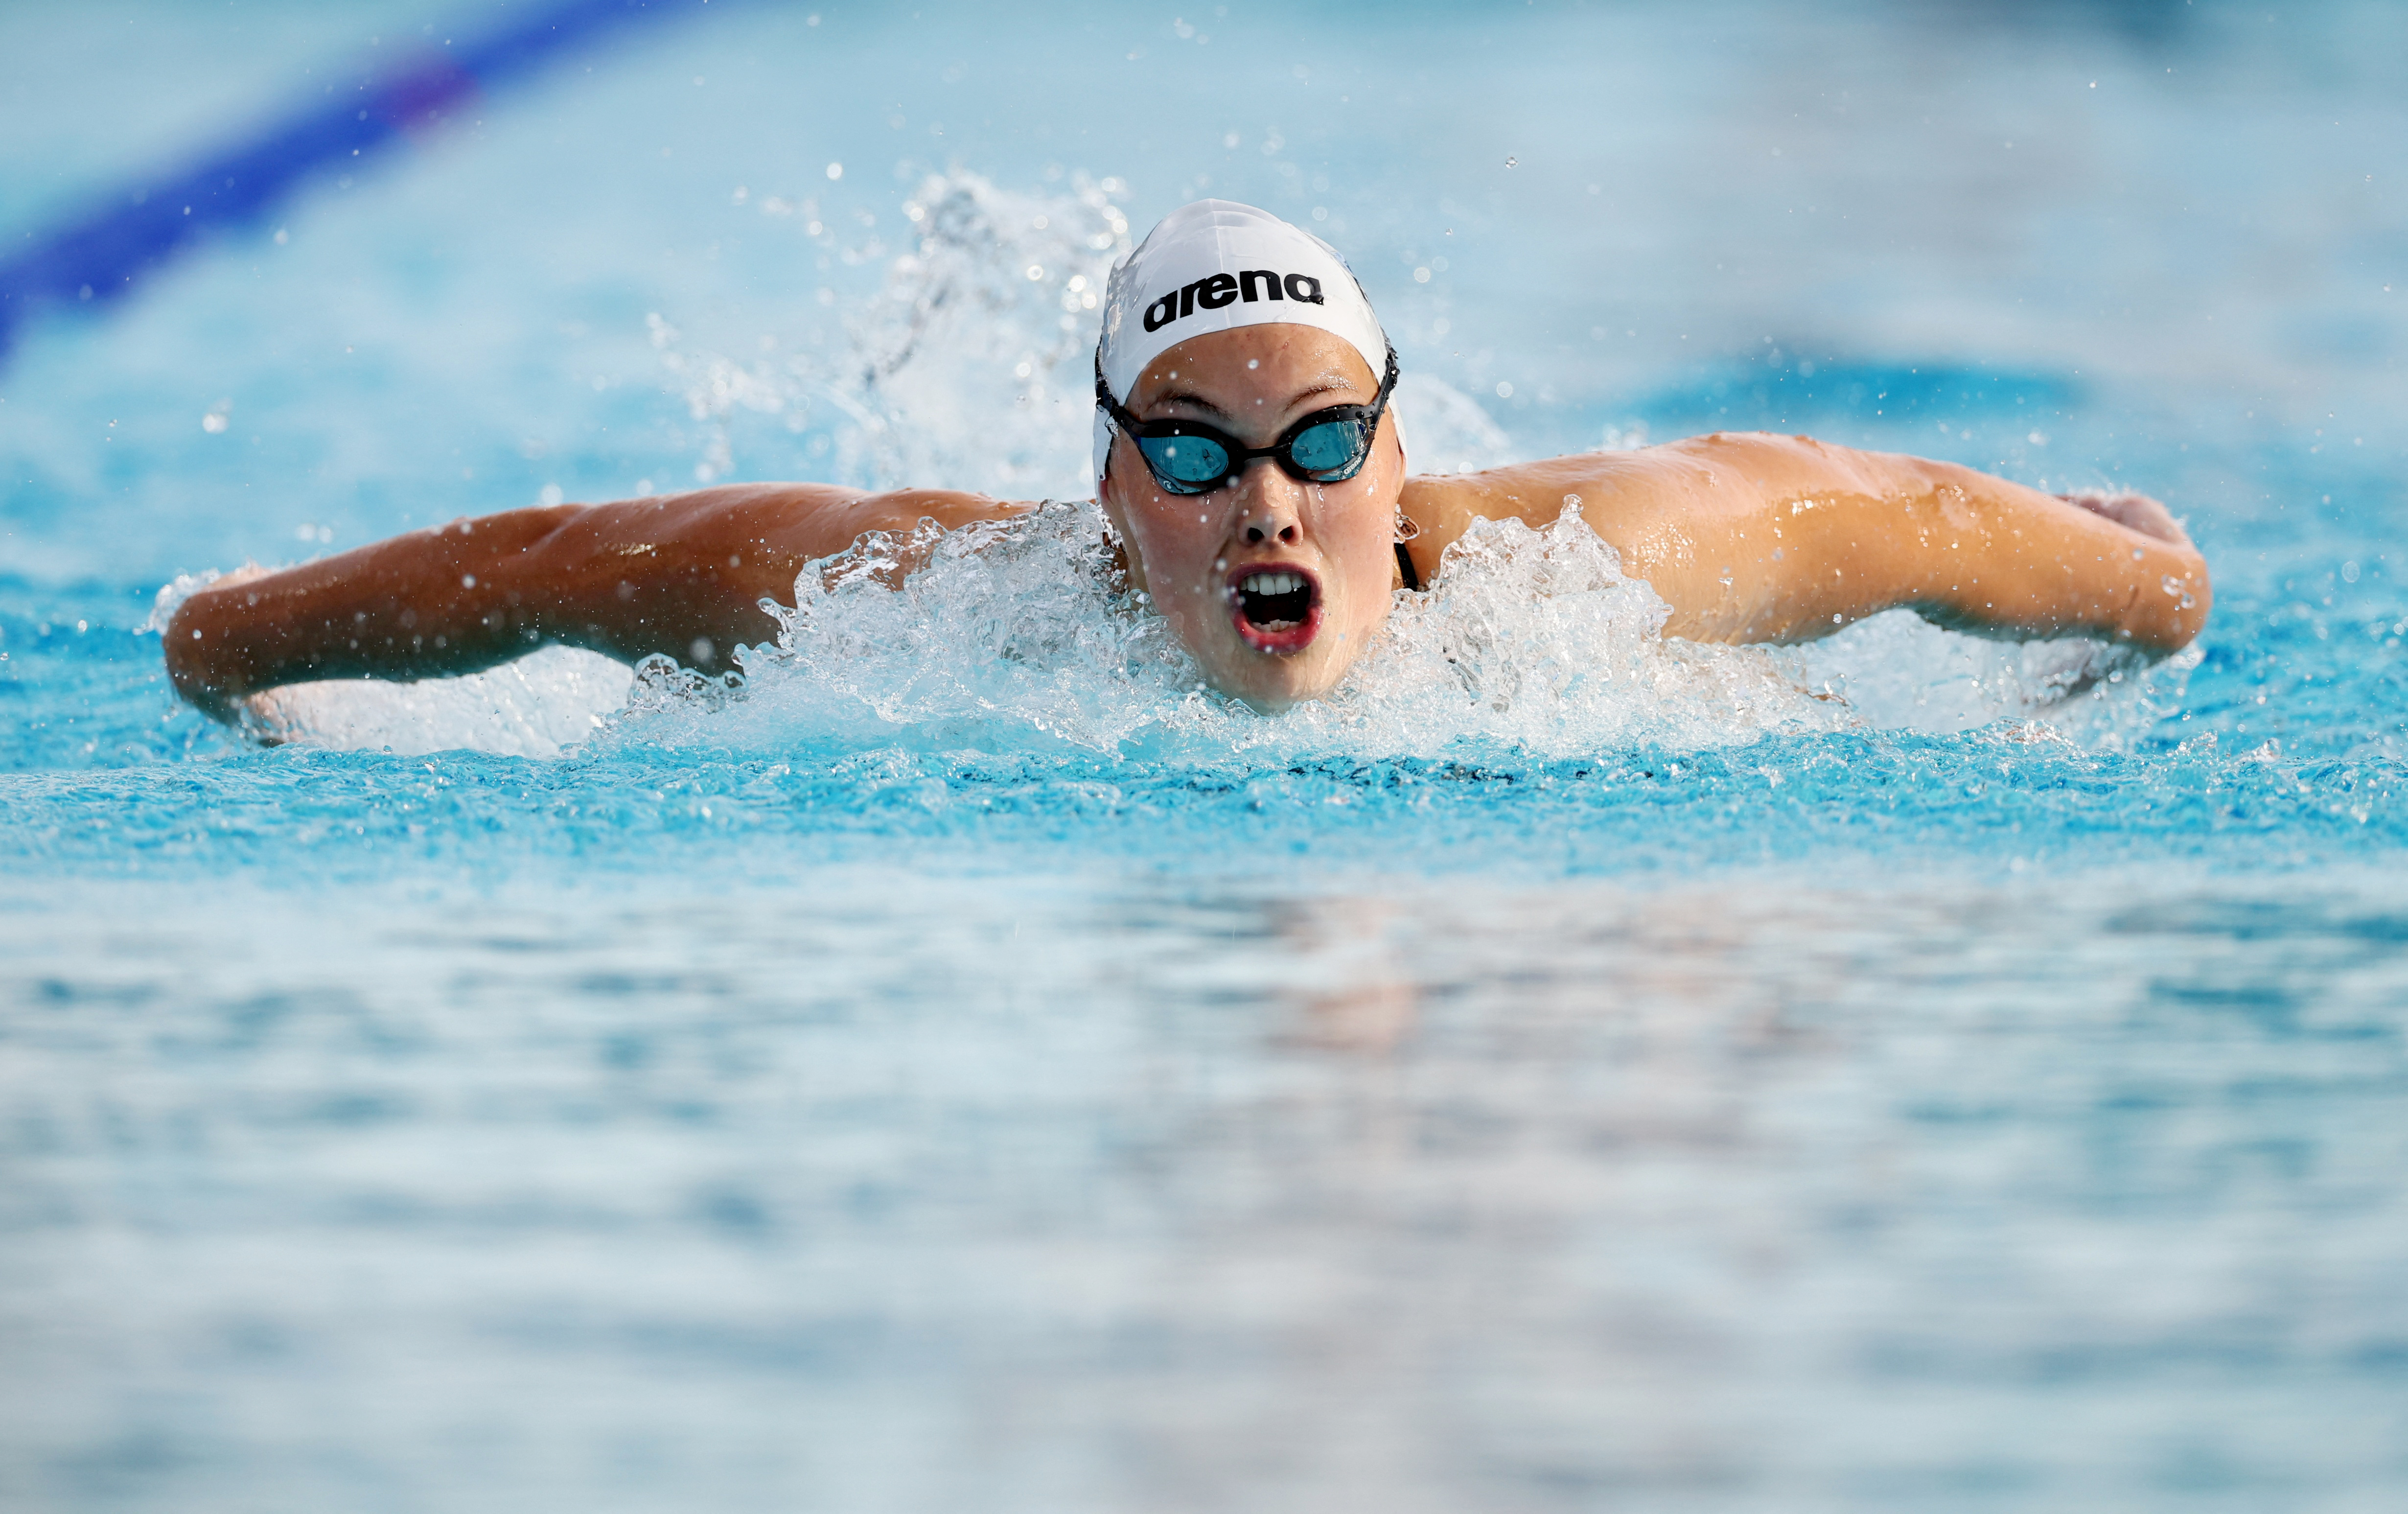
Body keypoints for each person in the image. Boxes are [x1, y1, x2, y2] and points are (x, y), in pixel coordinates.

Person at [163, 200, 2210, 722]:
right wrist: (227, 642)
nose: (1267, 499)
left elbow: (1909, 516)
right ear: (1115, 484)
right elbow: (562, 562)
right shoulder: (922, 601)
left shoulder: (1592, 573)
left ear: (1397, 456)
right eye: (1200, 451)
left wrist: (2149, 579)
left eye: (1327, 442)